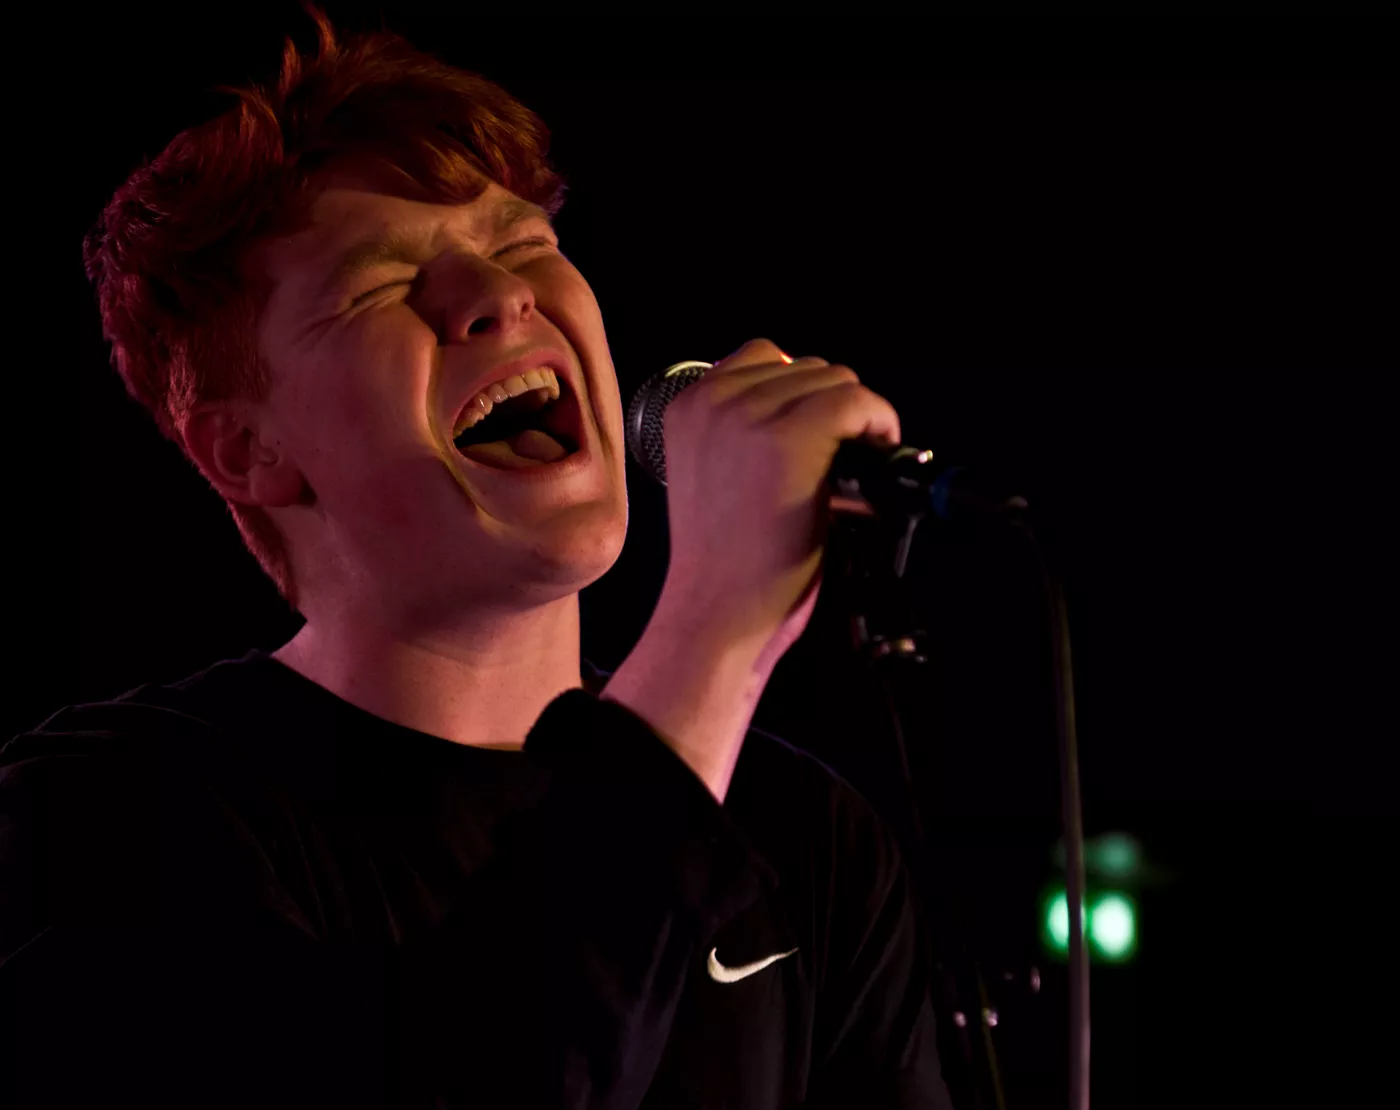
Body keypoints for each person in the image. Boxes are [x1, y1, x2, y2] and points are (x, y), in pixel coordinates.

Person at [0, 7, 953, 1107]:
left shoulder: (806, 835)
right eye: (379, 288)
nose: (499, 297)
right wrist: (715, 623)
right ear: (249, 449)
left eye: (521, 246)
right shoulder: (118, 811)